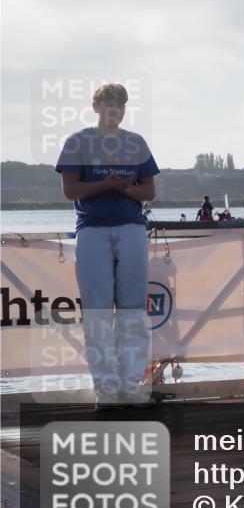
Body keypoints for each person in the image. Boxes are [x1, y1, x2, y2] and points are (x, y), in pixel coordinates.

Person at [55, 83, 159, 408]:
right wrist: (105, 185)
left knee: (132, 310)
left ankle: (131, 386)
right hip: (92, 230)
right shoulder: (78, 142)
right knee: (97, 311)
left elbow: (149, 191)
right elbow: (70, 190)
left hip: (131, 229)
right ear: (96, 106)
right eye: (110, 105)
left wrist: (125, 189)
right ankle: (106, 388)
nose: (115, 111)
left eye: (121, 106)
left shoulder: (136, 142)